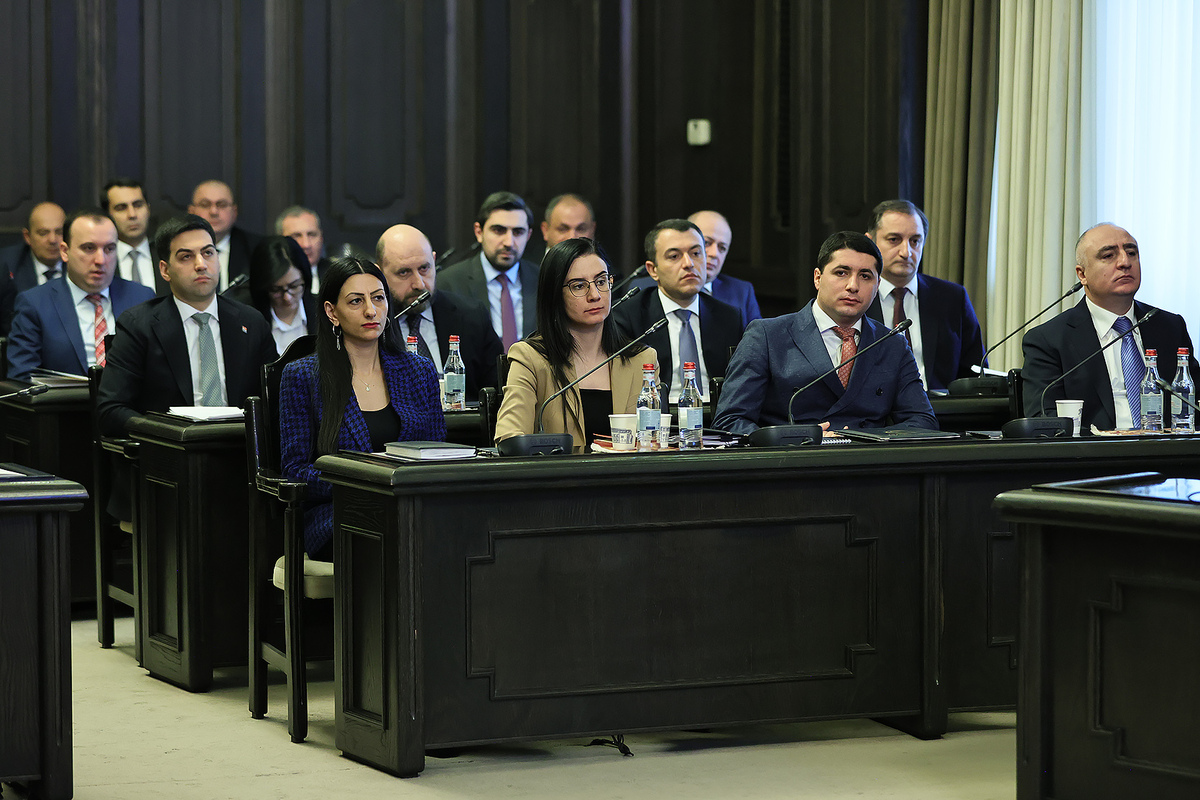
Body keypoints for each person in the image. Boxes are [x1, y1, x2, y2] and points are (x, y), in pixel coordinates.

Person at [278, 257, 446, 559]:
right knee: (395, 534)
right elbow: (295, 471)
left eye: (378, 298)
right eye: (356, 301)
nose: (371, 311)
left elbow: (437, 454)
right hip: (338, 515)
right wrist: (365, 483)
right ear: (332, 312)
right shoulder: (303, 376)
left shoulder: (419, 371)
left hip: (411, 508)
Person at [713, 231, 936, 435]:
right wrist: (796, 437)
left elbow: (922, 420)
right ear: (817, 278)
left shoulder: (891, 343)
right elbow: (729, 421)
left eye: (865, 276)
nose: (853, 286)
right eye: (841, 273)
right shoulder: (767, 336)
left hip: (866, 461)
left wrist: (862, 439)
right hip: (793, 460)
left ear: (877, 286)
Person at [1021, 222, 1200, 429]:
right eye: (1108, 256)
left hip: (1168, 447)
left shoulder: (1170, 327)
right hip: (1093, 448)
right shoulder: (1049, 340)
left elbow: (1194, 402)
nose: (1125, 262)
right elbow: (1045, 421)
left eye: (1131, 253)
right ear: (1082, 274)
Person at [495, 238, 657, 452]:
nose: (595, 295)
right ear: (555, 295)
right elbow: (510, 436)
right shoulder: (530, 358)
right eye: (579, 286)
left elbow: (655, 441)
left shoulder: (641, 360)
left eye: (601, 281)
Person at [6, 210, 154, 379]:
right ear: (64, 251)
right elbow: (22, 377)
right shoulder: (35, 303)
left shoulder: (142, 297)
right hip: (63, 396)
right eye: (89, 248)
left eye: (109, 249)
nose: (101, 260)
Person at [612, 218, 743, 403]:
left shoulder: (728, 317)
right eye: (674, 256)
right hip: (656, 414)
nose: (689, 263)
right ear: (653, 270)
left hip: (716, 415)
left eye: (696, 253)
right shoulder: (627, 316)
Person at [864, 200, 985, 392]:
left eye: (915, 241)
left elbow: (975, 373)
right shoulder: (855, 297)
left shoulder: (952, 298)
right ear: (871, 243)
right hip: (873, 409)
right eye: (894, 239)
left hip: (940, 407)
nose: (906, 252)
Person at [376, 224, 503, 398]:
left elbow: (498, 391)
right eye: (404, 272)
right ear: (380, 273)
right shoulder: (373, 325)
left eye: (424, 268)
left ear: (434, 260)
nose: (419, 284)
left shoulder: (471, 316)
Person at [438, 191, 540, 350]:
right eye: (499, 230)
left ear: (528, 235)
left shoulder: (543, 280)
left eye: (518, 232)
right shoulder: (449, 283)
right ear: (479, 232)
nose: (509, 242)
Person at [0, 201, 66, 334]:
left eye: (59, 232)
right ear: (27, 237)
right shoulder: (6, 265)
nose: (53, 240)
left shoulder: (81, 264)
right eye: (43, 233)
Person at [689, 210, 762, 327]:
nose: (714, 254)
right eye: (706, 243)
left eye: (722, 248)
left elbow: (758, 337)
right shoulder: (658, 288)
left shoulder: (741, 292)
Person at [248, 236, 319, 353]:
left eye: (294, 286)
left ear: (305, 278)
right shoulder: (248, 320)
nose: (287, 297)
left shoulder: (325, 311)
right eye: (276, 290)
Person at [187, 179, 260, 290]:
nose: (214, 212)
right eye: (205, 205)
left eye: (222, 205)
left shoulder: (256, 249)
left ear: (234, 212)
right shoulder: (176, 248)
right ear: (191, 211)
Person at [103, 177, 164, 294]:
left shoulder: (166, 254)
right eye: (121, 208)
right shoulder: (101, 258)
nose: (132, 214)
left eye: (138, 205)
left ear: (148, 209)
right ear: (107, 215)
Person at [275, 205, 330, 291]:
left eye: (312, 235)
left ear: (321, 238)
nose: (306, 245)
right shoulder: (271, 280)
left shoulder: (337, 276)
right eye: (296, 236)